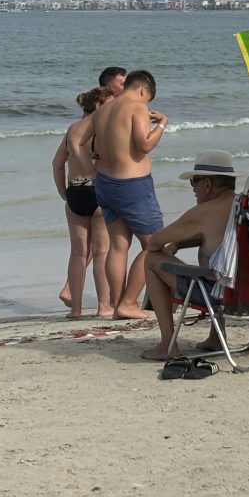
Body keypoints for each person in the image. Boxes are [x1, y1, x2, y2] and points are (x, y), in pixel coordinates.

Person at [82, 69, 168, 320]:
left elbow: (85, 144)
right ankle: (129, 302)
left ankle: (118, 305)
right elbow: (144, 145)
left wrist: (95, 160)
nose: (146, 104)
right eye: (147, 98)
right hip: (132, 185)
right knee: (155, 244)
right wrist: (162, 123)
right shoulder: (137, 107)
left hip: (105, 183)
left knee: (118, 246)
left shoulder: (103, 110)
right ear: (143, 90)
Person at [140, 150, 239, 361]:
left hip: (220, 298)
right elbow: (224, 240)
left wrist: (170, 243)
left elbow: (154, 242)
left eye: (194, 181)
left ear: (208, 184)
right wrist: (179, 243)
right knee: (220, 263)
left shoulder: (205, 211)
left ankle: (168, 344)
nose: (193, 188)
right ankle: (216, 337)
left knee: (152, 260)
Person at [52, 85, 114, 319]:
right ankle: (103, 307)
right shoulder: (102, 129)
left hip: (75, 192)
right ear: (99, 106)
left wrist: (64, 193)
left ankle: (76, 310)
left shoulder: (72, 129)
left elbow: (57, 164)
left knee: (78, 253)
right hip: (97, 191)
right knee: (101, 253)